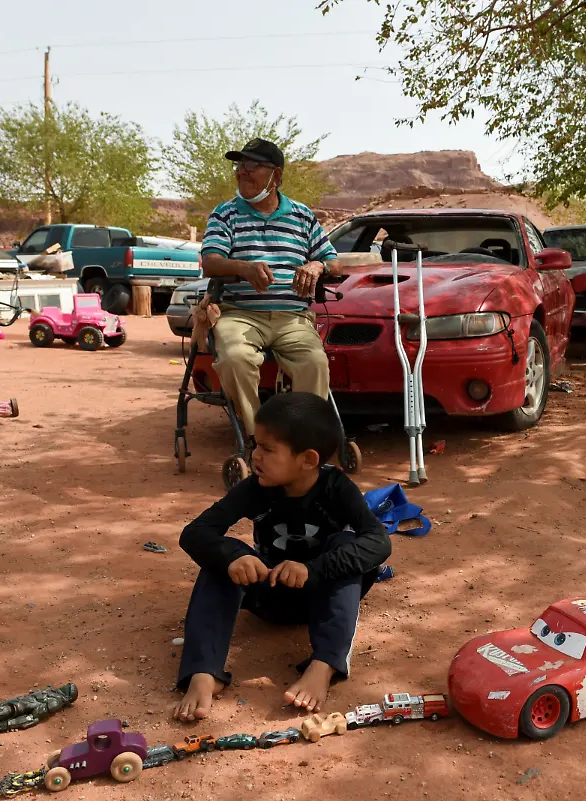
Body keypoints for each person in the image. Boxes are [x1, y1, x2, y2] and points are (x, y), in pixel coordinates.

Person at [172, 392, 391, 721]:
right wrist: (233, 556)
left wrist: (311, 570)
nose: (255, 455)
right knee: (221, 560)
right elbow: (195, 532)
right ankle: (204, 671)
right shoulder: (254, 488)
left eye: (268, 449)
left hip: (322, 595)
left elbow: (379, 542)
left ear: (307, 459)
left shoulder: (337, 489)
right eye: (255, 444)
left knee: (345, 543)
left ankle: (325, 665)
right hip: (268, 595)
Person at [199, 137, 342, 440]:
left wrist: (317, 266)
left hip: (293, 317)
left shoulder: (302, 216)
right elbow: (210, 262)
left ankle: (302, 442)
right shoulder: (225, 214)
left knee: (314, 364)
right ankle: (258, 440)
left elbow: (334, 262)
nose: (242, 171)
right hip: (240, 314)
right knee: (235, 359)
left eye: (252, 165)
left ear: (276, 176)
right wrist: (244, 268)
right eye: (239, 165)